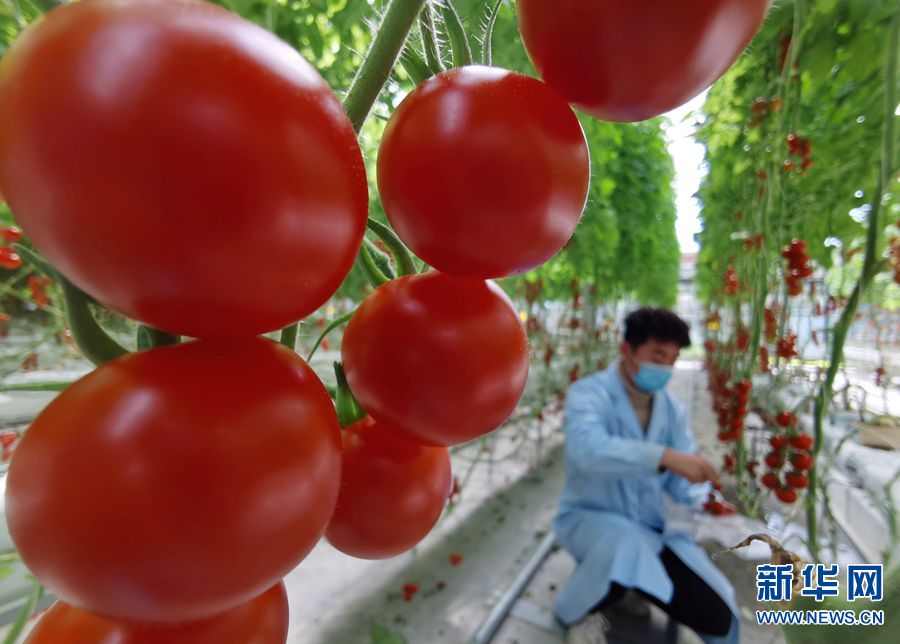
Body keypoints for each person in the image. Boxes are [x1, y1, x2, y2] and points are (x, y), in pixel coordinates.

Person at [554, 308, 739, 644]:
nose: (665, 367)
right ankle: (578, 611)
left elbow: (679, 482)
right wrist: (663, 456)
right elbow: (587, 450)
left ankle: (625, 587)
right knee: (624, 550)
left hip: (648, 528)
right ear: (627, 350)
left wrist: (706, 500)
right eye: (658, 355)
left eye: (672, 358)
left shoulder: (671, 410)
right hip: (589, 521)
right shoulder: (589, 394)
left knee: (717, 614)